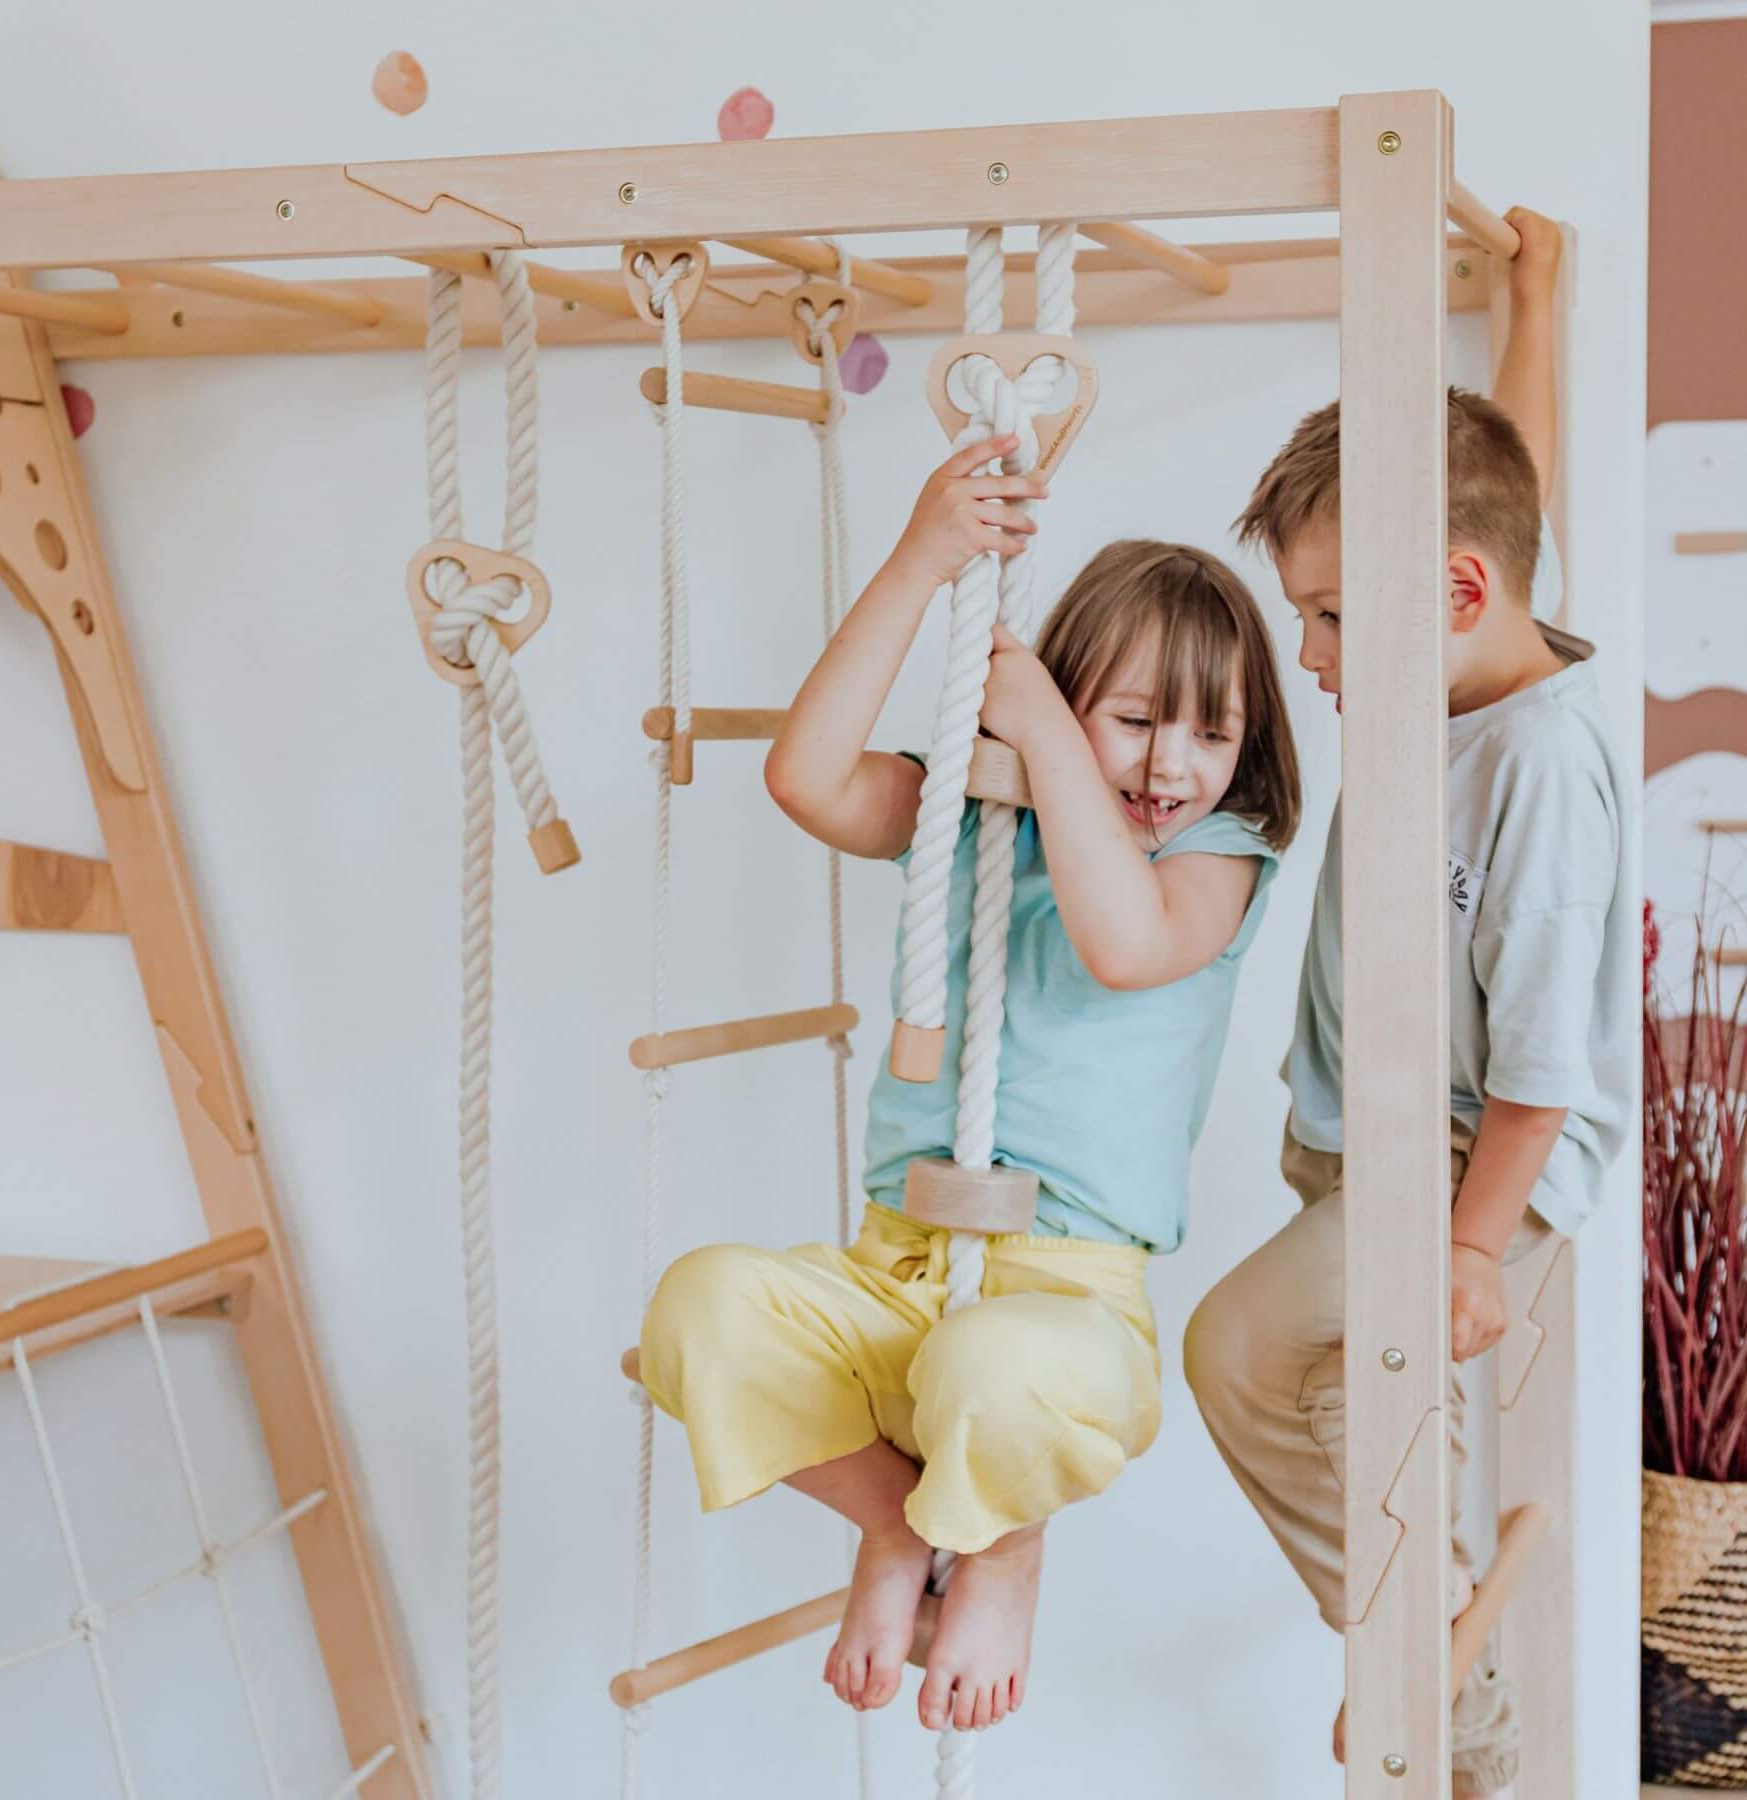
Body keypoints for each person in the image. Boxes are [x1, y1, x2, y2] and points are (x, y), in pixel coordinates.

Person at [637, 433, 1301, 1734]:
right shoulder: (973, 817)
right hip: (894, 1268)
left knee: (996, 1367)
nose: (1171, 765)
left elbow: (1122, 946)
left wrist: (1048, 728)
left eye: (1212, 731)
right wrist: (923, 561)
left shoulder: (1216, 858)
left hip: (1064, 1306)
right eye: (1134, 720)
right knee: (700, 1308)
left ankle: (998, 1548)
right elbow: (805, 778)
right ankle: (900, 1525)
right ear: (1060, 699)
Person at [1184, 209, 1628, 1797]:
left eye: (1327, 614)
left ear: (1451, 590)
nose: (1306, 653)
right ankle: (1449, 1658)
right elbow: (1522, 480)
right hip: (1365, 1131)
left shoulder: (1535, 767)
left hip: (1463, 1156)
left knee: (1239, 1354)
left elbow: (1546, 1066)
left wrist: (1471, 1248)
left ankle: (1430, 1663)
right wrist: (1534, 297)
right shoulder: (1465, 632)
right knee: (1340, 1393)